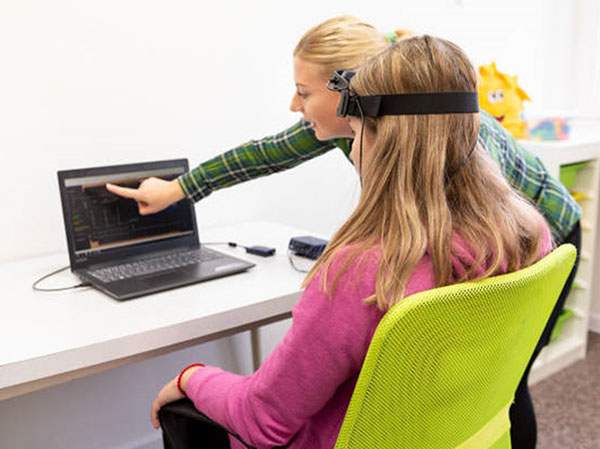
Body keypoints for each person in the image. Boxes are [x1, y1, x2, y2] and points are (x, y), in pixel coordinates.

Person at [111, 16, 581, 448]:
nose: (296, 107)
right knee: (479, 387)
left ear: (358, 107)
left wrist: (192, 376)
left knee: (508, 385)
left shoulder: (360, 272)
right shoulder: (524, 230)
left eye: (355, 134)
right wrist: (180, 189)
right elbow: (266, 152)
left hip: (554, 222)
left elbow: (263, 418)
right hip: (519, 245)